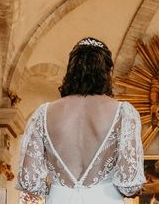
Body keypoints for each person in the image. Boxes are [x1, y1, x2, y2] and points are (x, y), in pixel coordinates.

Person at [17, 37, 145, 203]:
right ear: (107, 72)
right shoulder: (124, 113)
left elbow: (29, 180)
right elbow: (129, 184)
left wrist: (58, 189)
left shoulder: (43, 113)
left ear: (70, 71)